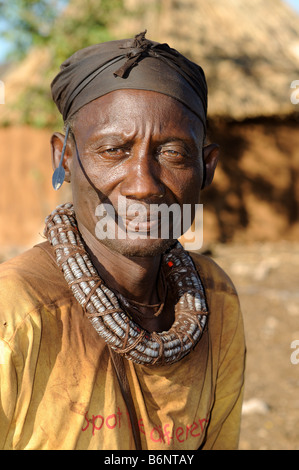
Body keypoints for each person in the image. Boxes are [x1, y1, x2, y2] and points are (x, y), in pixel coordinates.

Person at [0, 31, 245, 450]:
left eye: (171, 153)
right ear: (65, 158)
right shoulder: (18, 311)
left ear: (207, 167)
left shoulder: (215, 299)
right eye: (114, 150)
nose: (144, 185)